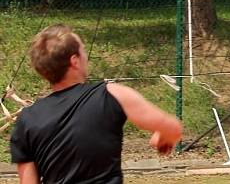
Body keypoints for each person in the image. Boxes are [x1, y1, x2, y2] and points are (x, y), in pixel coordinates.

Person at [9, 24, 182, 184]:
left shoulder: (27, 119)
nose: (86, 56)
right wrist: (161, 137)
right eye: (83, 50)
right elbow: (173, 128)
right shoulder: (112, 94)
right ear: (74, 60)